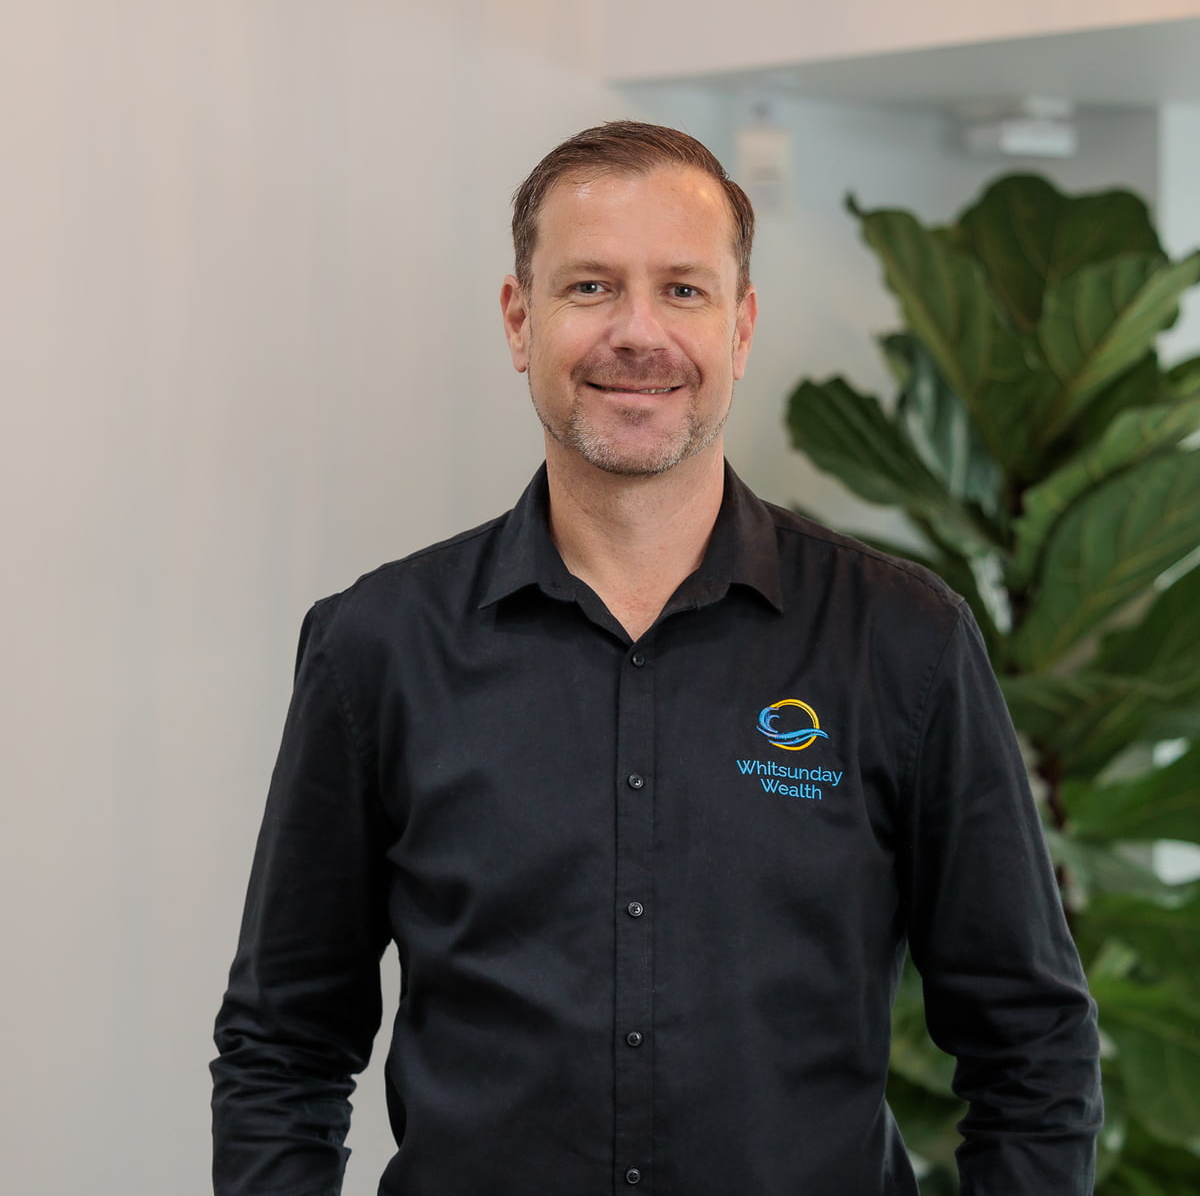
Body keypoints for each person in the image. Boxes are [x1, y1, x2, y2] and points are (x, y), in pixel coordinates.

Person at [212, 121, 1102, 1195]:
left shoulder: (901, 640)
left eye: (683, 290)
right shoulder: (377, 648)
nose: (639, 333)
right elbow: (283, 1045)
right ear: (517, 318)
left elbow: (1031, 1046)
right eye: (590, 287)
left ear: (741, 326)